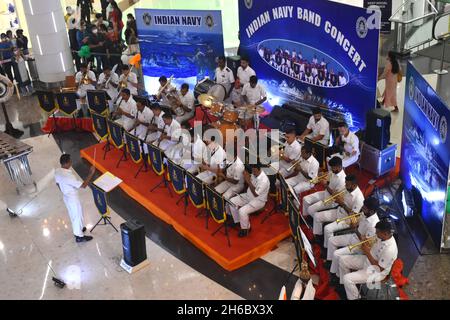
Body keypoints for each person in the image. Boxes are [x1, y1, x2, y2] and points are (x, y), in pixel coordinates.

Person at [339, 220, 398, 300]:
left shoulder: (390, 249)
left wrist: (367, 252)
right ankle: (346, 288)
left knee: (347, 278)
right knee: (342, 260)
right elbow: (374, 248)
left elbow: (379, 268)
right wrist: (367, 245)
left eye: (377, 232)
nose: (376, 234)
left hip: (376, 271)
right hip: (369, 260)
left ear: (385, 234)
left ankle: (355, 297)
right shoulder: (384, 237)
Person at [328, 197, 380, 276]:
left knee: (336, 254)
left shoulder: (373, 225)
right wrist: (353, 221)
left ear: (371, 211)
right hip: (354, 236)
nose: (362, 209)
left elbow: (365, 243)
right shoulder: (366, 213)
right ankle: (332, 263)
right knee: (331, 240)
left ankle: (335, 274)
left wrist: (355, 229)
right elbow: (358, 221)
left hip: (359, 246)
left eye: (365, 208)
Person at [55, 154, 96, 243]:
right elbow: (84, 185)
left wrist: (64, 190)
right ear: (67, 163)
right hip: (72, 198)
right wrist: (91, 173)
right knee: (76, 215)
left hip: (66, 197)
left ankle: (80, 228)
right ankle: (79, 236)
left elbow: (57, 183)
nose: (71, 162)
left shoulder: (57, 171)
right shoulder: (69, 176)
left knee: (76, 213)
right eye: (70, 161)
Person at [227, 164, 270, 237]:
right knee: (231, 201)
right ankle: (237, 221)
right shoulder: (254, 173)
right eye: (252, 170)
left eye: (254, 170)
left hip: (258, 201)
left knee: (242, 211)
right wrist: (246, 175)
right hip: (248, 196)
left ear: (259, 169)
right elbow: (250, 178)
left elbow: (256, 194)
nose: (253, 172)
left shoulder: (264, 180)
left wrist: (248, 181)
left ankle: (246, 229)